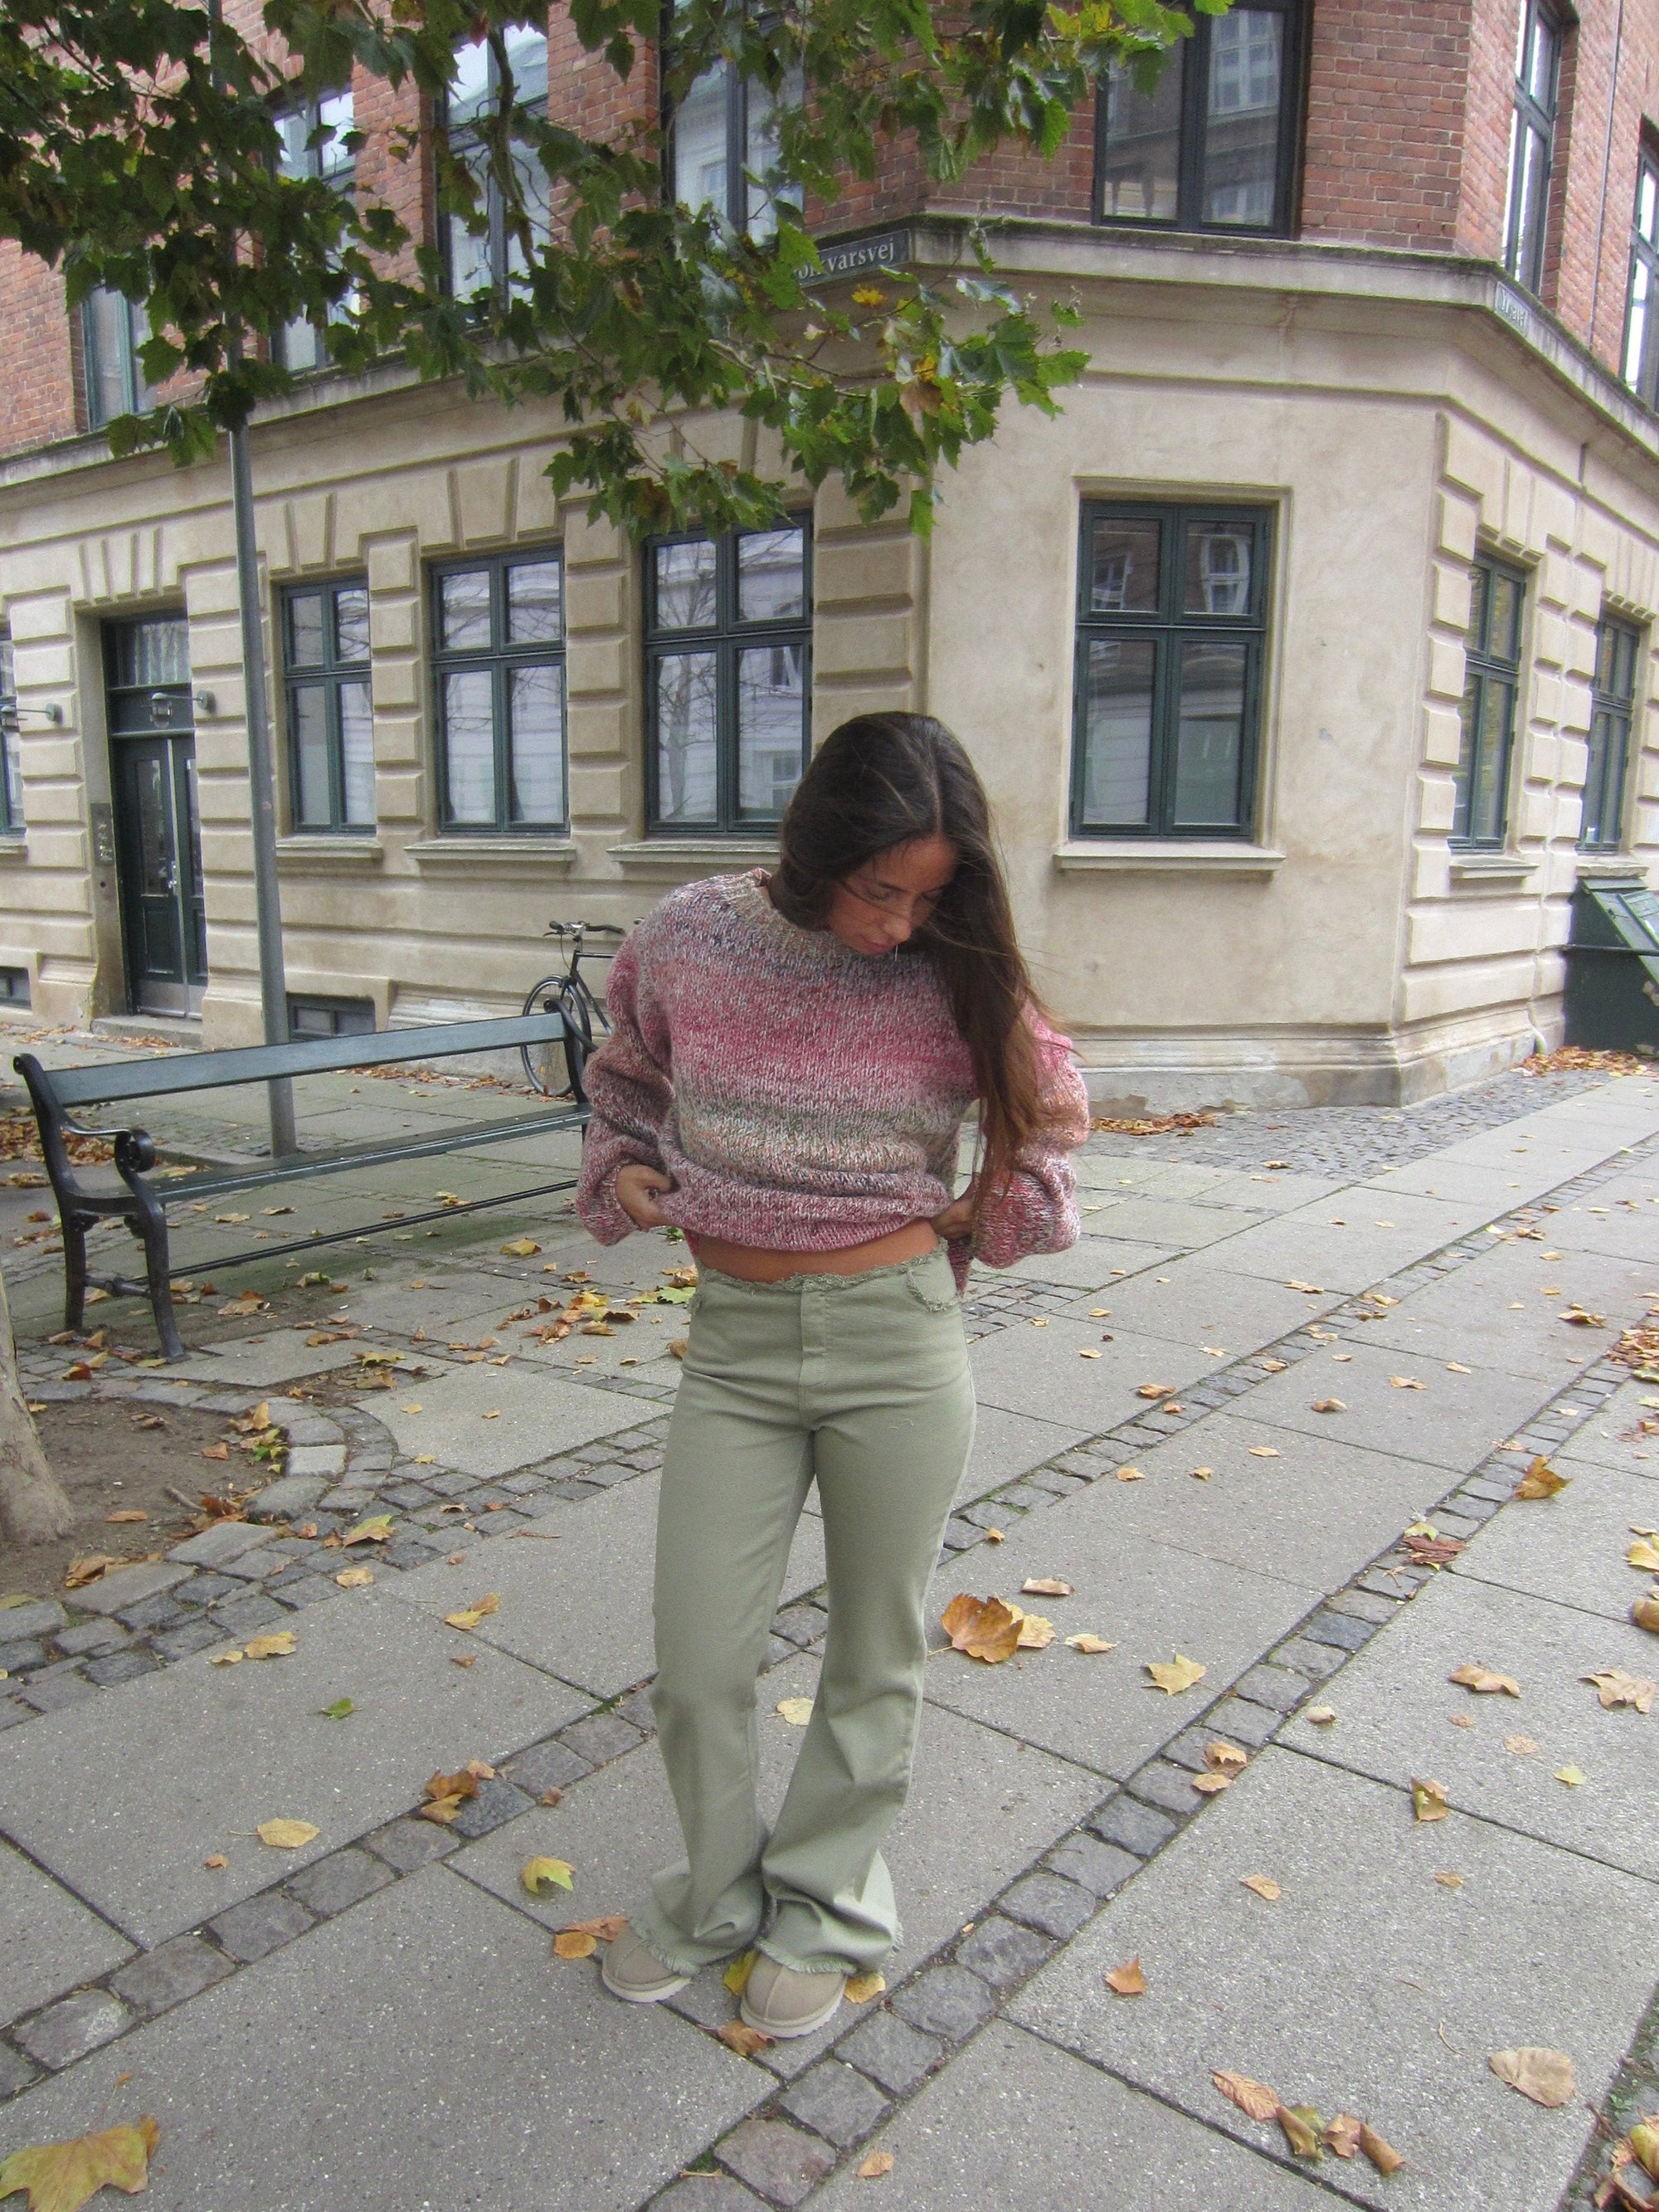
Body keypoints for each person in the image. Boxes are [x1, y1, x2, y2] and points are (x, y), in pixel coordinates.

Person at [574, 710, 1089, 2039]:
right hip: (735, 1350)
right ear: (816, 847)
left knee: (876, 1645)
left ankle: (825, 1903)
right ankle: (713, 1895)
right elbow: (626, 1074)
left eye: (927, 895)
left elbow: (1054, 1111)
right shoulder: (691, 934)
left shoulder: (954, 963)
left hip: (896, 1341)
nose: (898, 921)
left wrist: (993, 1205)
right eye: (878, 888)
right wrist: (622, 1168)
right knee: (698, 1659)